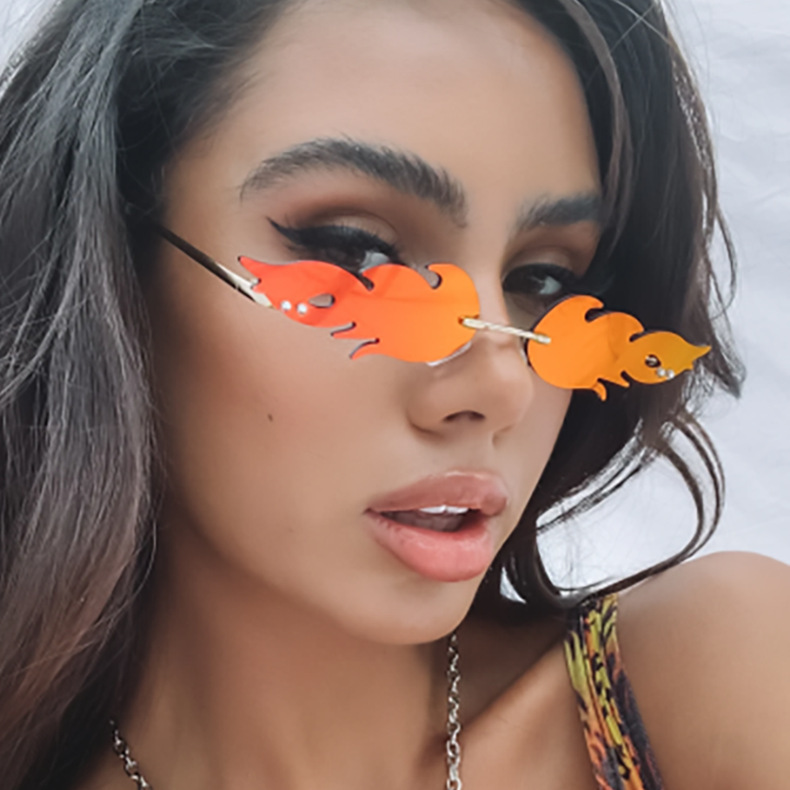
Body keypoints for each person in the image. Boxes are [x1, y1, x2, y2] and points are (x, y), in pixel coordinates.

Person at [1, 0, 788, 788]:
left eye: (543, 280)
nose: (503, 384)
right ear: (114, 258)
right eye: (360, 253)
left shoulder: (709, 686)